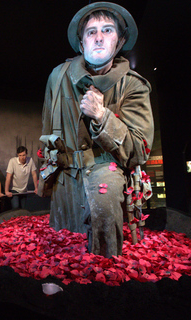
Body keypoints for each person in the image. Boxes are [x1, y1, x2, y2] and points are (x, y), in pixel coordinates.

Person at [38, 2, 154, 258]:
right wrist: (44, 177)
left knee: (104, 243)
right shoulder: (58, 77)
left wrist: (102, 116)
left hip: (106, 171)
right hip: (65, 177)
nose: (99, 37)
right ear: (81, 43)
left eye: (108, 30)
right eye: (91, 32)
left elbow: (139, 150)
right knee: (64, 248)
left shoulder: (133, 86)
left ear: (120, 40)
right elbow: (47, 129)